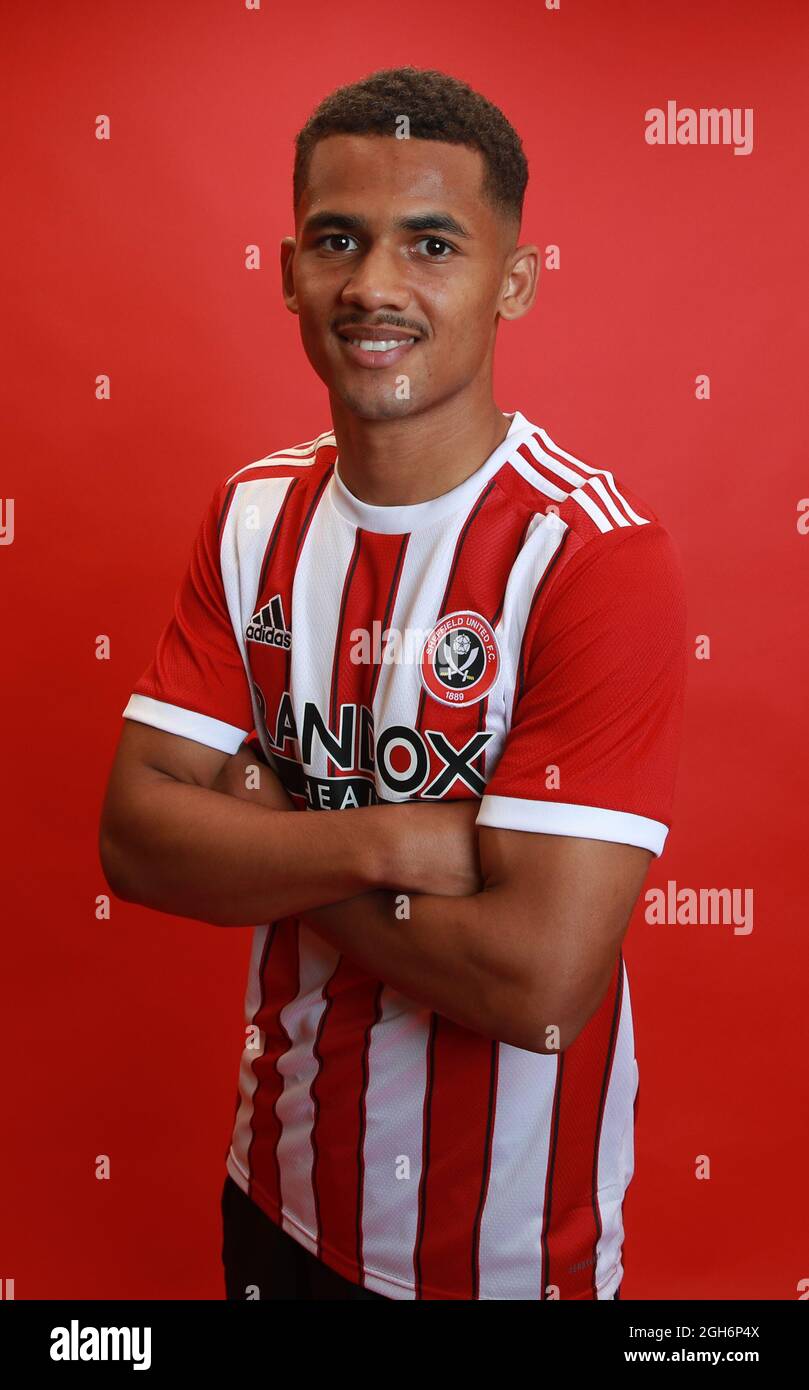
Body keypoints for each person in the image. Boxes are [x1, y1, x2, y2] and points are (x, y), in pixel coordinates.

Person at [99, 65, 687, 1301]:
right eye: (336, 240)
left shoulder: (589, 555)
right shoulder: (251, 516)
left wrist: (269, 832)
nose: (373, 286)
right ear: (287, 269)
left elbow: (536, 985)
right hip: (273, 1195)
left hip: (511, 1257)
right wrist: (392, 839)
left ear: (510, 283)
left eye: (430, 244)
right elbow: (139, 844)